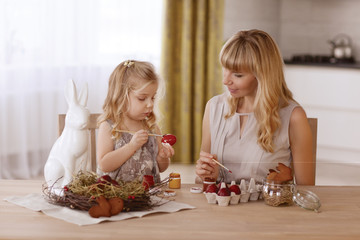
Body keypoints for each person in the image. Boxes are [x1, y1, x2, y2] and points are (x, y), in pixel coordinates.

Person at [195, 29, 315, 185]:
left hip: (269, 208)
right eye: (225, 68)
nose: (226, 81)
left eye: (237, 75)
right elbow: (201, 181)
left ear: (262, 75)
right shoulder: (214, 107)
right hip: (220, 207)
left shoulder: (293, 116)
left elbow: (306, 190)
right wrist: (205, 174)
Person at [97, 60, 174, 183]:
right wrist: (132, 146)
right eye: (142, 98)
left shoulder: (152, 127)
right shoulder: (109, 127)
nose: (150, 104)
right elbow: (104, 165)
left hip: (148, 195)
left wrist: (162, 157)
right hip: (117, 195)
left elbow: (161, 168)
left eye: (153, 97)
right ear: (121, 96)